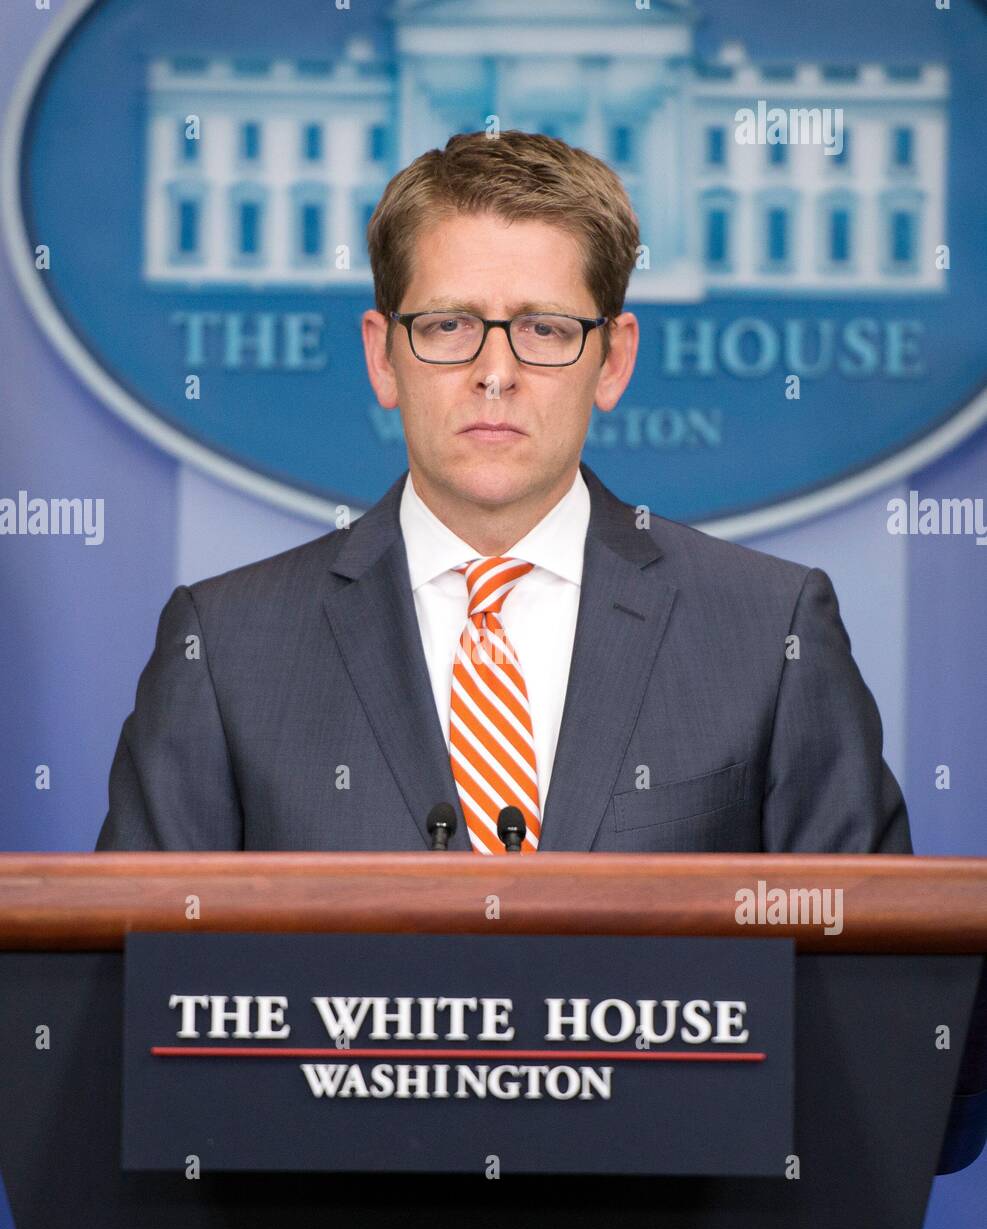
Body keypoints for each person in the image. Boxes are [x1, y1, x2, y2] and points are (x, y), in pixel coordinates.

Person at [95, 131, 910, 857]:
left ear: (613, 360)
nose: (494, 372)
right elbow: (145, 985)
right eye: (448, 326)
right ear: (383, 357)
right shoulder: (226, 647)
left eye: (544, 329)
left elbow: (868, 987)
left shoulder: (770, 631)